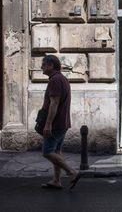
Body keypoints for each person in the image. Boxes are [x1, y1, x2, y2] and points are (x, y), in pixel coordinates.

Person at [40, 55, 80, 190]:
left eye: (44, 65)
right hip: (62, 122)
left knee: (47, 152)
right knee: (56, 151)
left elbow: (54, 103)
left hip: (56, 123)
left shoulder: (55, 80)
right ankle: (56, 180)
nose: (42, 67)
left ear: (51, 65)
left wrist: (48, 124)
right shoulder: (61, 78)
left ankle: (72, 172)